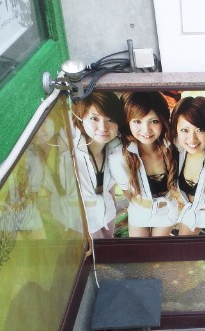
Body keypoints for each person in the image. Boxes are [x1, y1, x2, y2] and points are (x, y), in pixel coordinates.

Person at [109, 92, 178, 237]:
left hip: (167, 211)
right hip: (139, 211)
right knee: (140, 249)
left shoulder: (172, 149)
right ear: (127, 122)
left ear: (163, 121)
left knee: (159, 249)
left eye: (154, 121)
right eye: (137, 121)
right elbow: (127, 192)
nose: (146, 130)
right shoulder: (120, 157)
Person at [62, 91, 125, 238]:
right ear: (80, 118)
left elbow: (110, 189)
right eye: (94, 118)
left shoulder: (115, 150)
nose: (103, 127)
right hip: (80, 224)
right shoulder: (70, 149)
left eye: (110, 120)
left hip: (107, 216)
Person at [170, 96, 205, 235]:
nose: (192, 139)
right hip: (192, 212)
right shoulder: (178, 152)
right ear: (176, 129)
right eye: (185, 130)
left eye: (200, 130)